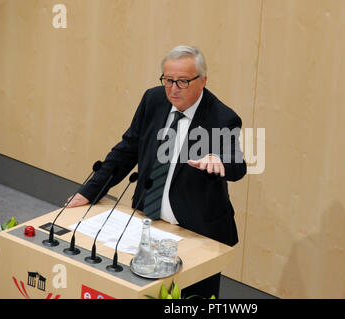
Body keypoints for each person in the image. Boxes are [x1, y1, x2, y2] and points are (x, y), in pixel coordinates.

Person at [66, 45, 246, 298]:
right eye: (168, 80)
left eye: (182, 82)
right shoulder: (153, 100)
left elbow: (238, 165)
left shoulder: (221, 118)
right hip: (147, 221)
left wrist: (220, 160)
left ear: (203, 81)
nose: (173, 89)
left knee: (191, 299)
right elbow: (127, 150)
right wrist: (90, 191)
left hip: (196, 232)